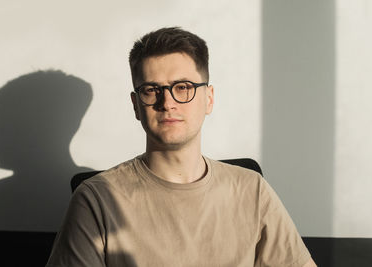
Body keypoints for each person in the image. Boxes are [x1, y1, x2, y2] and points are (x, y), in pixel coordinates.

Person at [47, 27, 316, 267]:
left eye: (183, 87)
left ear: (208, 99)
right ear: (136, 105)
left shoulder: (252, 190)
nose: (168, 102)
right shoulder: (96, 199)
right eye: (152, 90)